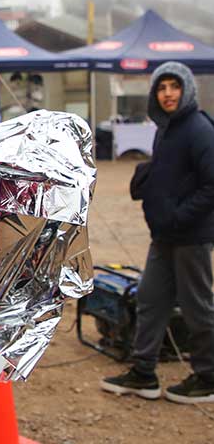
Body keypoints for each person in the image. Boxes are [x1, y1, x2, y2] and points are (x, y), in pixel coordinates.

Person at [101, 61, 214, 403]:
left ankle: (207, 377)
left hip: (190, 237)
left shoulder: (198, 128)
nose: (168, 94)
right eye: (162, 88)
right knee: (150, 299)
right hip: (163, 236)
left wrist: (180, 216)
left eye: (174, 87)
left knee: (198, 307)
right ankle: (143, 372)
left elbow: (211, 185)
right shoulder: (165, 128)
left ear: (187, 90)